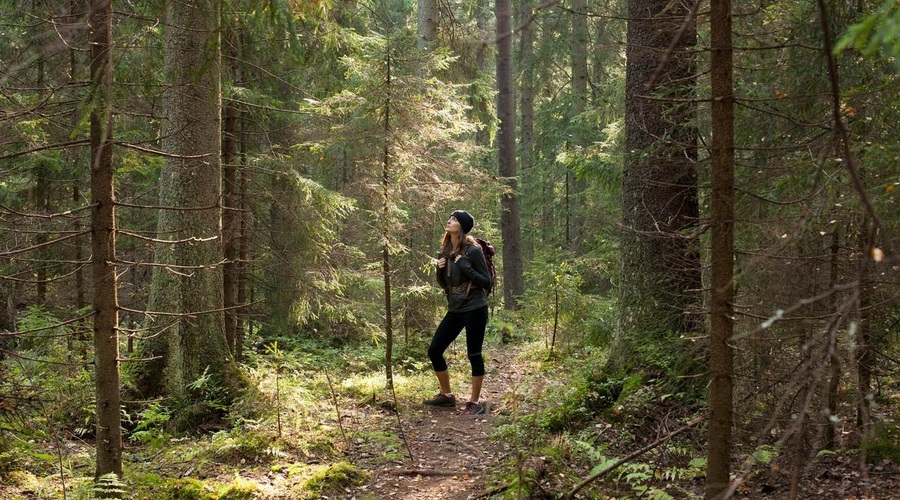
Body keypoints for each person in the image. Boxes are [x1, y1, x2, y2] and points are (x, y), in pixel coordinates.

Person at [424, 210, 492, 415]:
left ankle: (475, 402)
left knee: (474, 353)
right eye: (450, 218)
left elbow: (486, 281)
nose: (449, 220)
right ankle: (447, 396)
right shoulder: (444, 250)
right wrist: (439, 268)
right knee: (434, 350)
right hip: (455, 308)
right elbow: (444, 284)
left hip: (475, 307)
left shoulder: (473, 251)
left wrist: (465, 266)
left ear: (461, 226)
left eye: (454, 219)